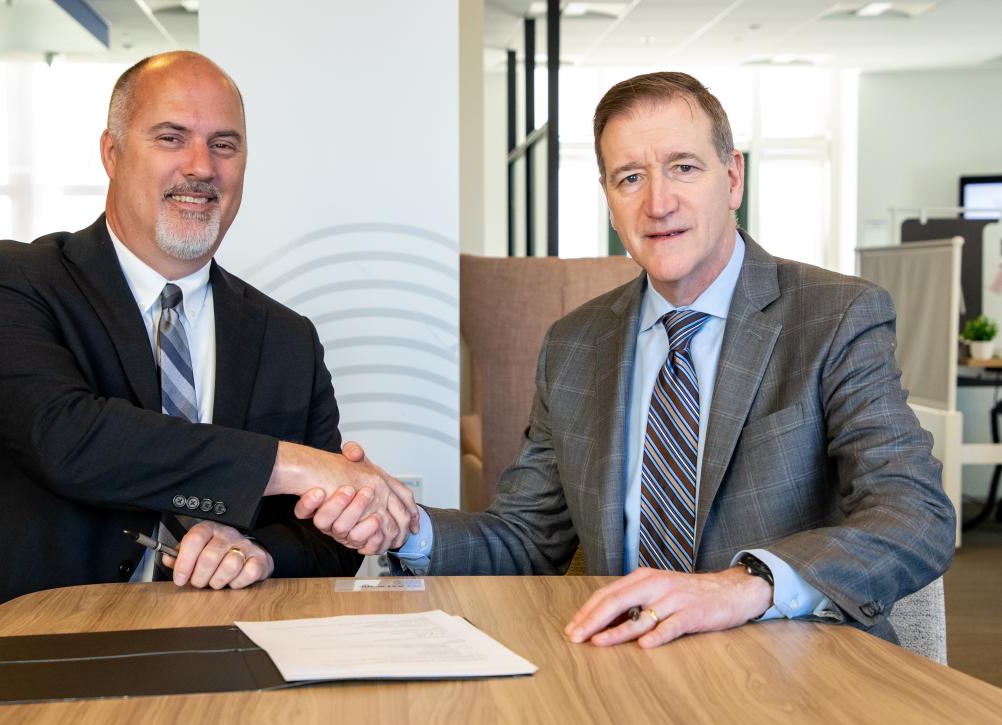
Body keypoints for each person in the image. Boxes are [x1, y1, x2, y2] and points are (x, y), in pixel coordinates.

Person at [301, 71, 956, 649]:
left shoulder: (834, 316)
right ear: (610, 201)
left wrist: (741, 586)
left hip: (792, 669)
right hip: (623, 668)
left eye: (683, 167)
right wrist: (406, 527)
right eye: (630, 178)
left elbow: (915, 515)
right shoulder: (574, 344)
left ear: (732, 179)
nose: (658, 202)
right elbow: (526, 538)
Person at [0, 51, 415, 648]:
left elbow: (328, 539)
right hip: (15, 640)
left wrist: (258, 551)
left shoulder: (287, 337)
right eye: (171, 137)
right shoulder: (4, 281)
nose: (201, 167)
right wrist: (295, 464)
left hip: (220, 648)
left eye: (224, 145)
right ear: (111, 153)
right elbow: (67, 440)